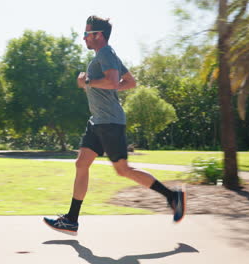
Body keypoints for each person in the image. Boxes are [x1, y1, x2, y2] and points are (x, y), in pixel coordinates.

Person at [43, 15, 185, 235]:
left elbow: (112, 81)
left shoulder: (106, 54)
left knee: (123, 170)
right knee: (81, 164)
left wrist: (88, 82)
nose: (84, 38)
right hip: (97, 121)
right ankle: (71, 219)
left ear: (98, 35)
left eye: (86, 34)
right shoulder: (106, 55)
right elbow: (129, 82)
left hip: (110, 122)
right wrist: (101, 87)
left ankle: (172, 196)